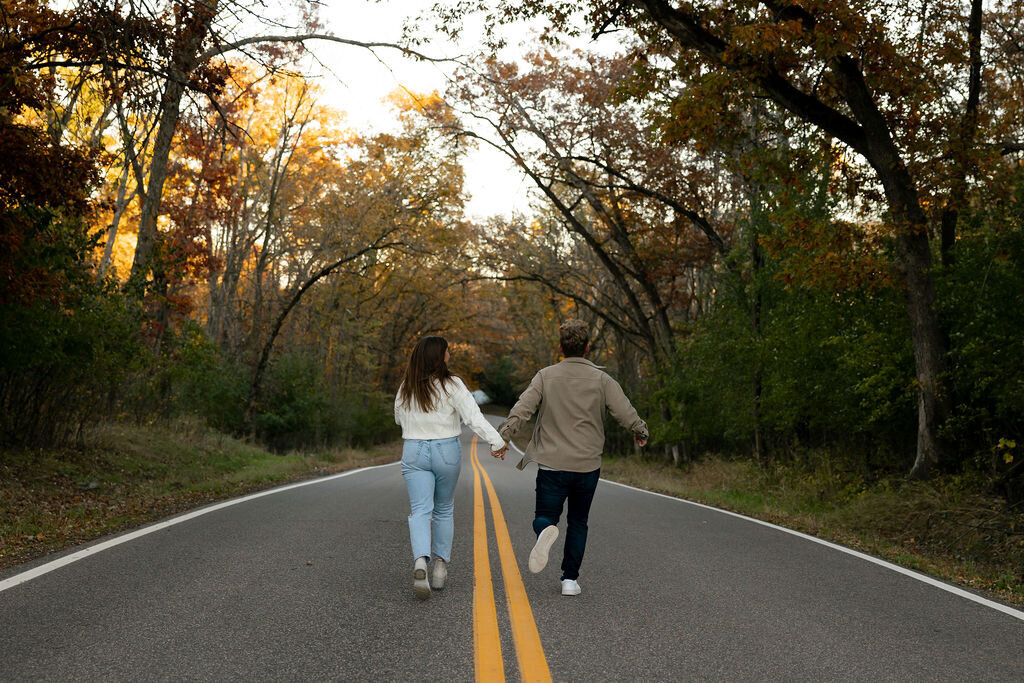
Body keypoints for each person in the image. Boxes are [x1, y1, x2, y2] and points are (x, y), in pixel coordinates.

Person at [496, 319, 648, 597]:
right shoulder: (602, 380)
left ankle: (545, 530)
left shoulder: (545, 376)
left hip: (552, 464)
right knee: (578, 520)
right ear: (587, 347)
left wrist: (504, 436)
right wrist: (640, 430)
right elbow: (624, 411)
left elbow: (523, 408)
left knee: (544, 517)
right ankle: (569, 580)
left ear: (560, 348)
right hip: (587, 465)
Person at [395, 335, 508, 600]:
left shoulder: (407, 386)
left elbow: (399, 418)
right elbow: (473, 418)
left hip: (414, 449)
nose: (449, 355)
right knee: (444, 509)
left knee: (421, 510)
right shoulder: (452, 384)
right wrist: (497, 441)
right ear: (439, 356)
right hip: (445, 449)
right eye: (447, 351)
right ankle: (439, 569)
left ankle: (420, 560)